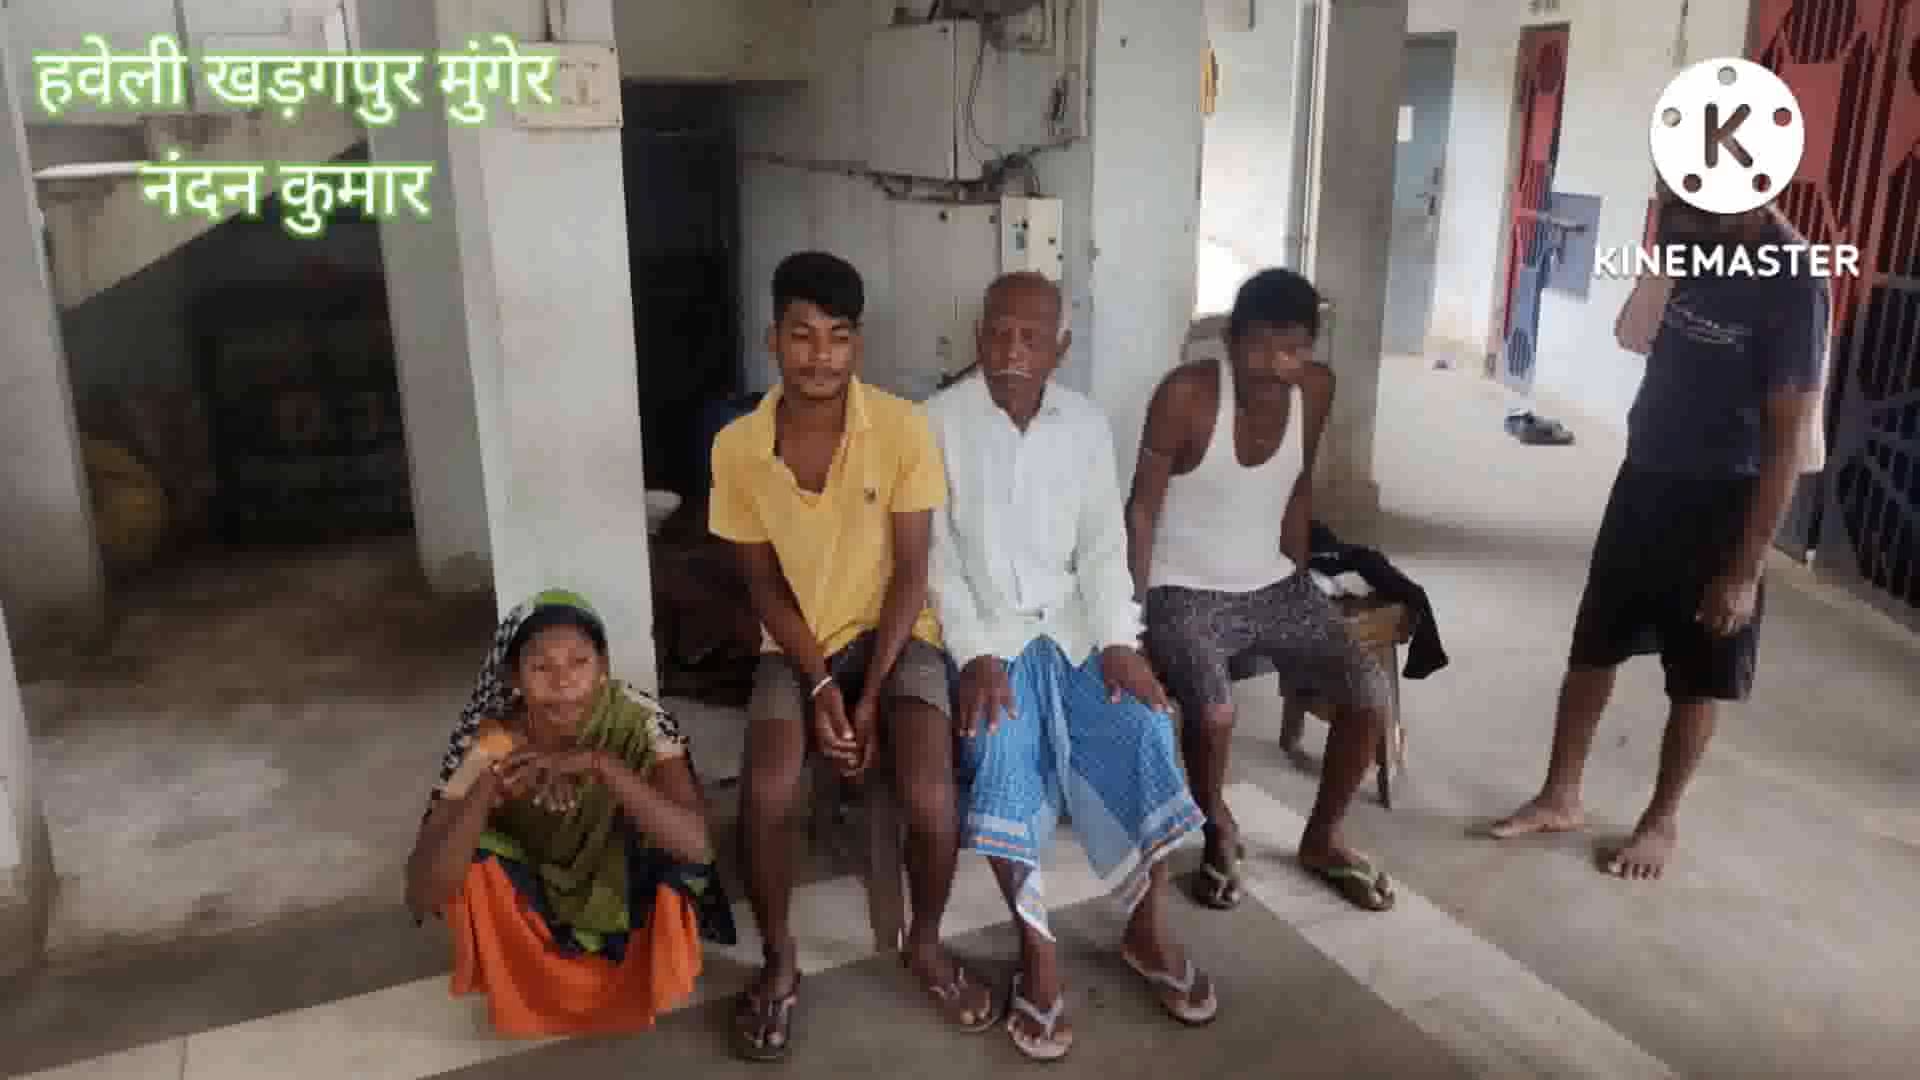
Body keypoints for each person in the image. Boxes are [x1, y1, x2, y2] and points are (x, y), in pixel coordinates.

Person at [1484, 183, 1829, 879]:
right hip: (1646, 475)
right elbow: (1631, 333)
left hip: (1728, 497)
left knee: (1700, 670)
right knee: (1595, 643)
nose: (1681, 212)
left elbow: (1788, 438)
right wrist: (1665, 254)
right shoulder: (1686, 235)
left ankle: (1661, 819)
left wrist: (1745, 570)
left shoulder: (1794, 279)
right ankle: (1560, 795)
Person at [709, 251, 997, 1060]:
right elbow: (761, 585)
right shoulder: (737, 446)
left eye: (838, 336)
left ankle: (926, 944)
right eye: (802, 335)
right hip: (796, 640)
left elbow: (912, 571)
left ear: (857, 343)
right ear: (772, 339)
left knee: (931, 794)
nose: (821, 356)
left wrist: (866, 696)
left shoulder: (903, 428)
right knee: (767, 790)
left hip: (897, 637)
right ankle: (779, 961)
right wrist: (819, 684)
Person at [927, 271, 1216, 1063]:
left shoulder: (1085, 425)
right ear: (978, 336)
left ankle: (1146, 930)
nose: (1012, 351)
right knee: (999, 750)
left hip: (1076, 631)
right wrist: (975, 655)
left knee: (1147, 728)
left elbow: (1100, 547)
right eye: (999, 332)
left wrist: (1121, 640)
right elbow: (937, 562)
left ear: (1060, 348)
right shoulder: (936, 423)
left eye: (1032, 337)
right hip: (992, 639)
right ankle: (1038, 950)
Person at [1127, 267, 1398, 913]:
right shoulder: (1186, 395)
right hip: (1181, 588)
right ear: (1230, 338)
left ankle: (1323, 839)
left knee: (1370, 694)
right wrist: (1131, 621)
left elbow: (1297, 486)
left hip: (1274, 582)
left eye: (1295, 349)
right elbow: (1140, 511)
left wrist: (1302, 582)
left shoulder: (1316, 389)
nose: (1278, 366)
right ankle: (1217, 826)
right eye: (1262, 347)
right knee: (1215, 712)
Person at [407, 589, 737, 1038]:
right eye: (541, 667)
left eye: (579, 662)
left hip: (619, 887)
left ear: (603, 669)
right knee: (468, 851)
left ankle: (634, 983)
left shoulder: (640, 720)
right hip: (536, 891)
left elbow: (697, 847)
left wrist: (601, 765)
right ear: (515, 677)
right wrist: (487, 788)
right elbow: (422, 890)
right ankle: (536, 997)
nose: (562, 682)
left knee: (667, 837)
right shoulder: (494, 740)